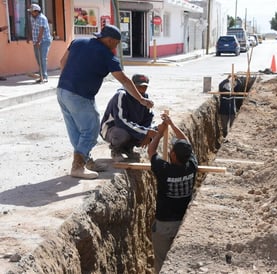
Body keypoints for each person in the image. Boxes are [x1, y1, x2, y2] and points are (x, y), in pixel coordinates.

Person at [57, 24, 154, 179]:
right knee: (90, 130)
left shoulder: (78, 42)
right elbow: (125, 81)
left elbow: (62, 63)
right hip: (80, 96)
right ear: (109, 40)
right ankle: (78, 167)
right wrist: (141, 99)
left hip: (62, 91)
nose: (116, 47)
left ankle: (86, 161)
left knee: (75, 129)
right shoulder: (106, 55)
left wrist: (71, 80)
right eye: (115, 43)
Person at [147, 113, 198, 273]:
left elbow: (151, 150)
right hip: (182, 222)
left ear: (174, 155)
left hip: (163, 225)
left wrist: (161, 132)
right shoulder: (192, 166)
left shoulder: (164, 169)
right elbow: (187, 143)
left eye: (171, 150)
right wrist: (172, 124)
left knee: (162, 262)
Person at [100, 74, 157, 162]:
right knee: (122, 133)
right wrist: (145, 132)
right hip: (112, 129)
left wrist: (148, 133)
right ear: (132, 86)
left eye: (144, 87)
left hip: (129, 127)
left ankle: (128, 148)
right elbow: (121, 121)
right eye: (139, 87)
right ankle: (116, 150)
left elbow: (149, 118)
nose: (142, 90)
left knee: (154, 130)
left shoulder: (145, 98)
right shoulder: (121, 96)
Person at [27, 4, 53, 84]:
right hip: (36, 41)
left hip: (44, 40)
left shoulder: (42, 18)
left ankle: (45, 77)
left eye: (32, 12)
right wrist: (30, 37)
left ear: (37, 11)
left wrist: (38, 41)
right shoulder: (32, 18)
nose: (31, 13)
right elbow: (33, 28)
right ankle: (41, 75)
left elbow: (41, 30)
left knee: (43, 58)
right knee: (38, 58)